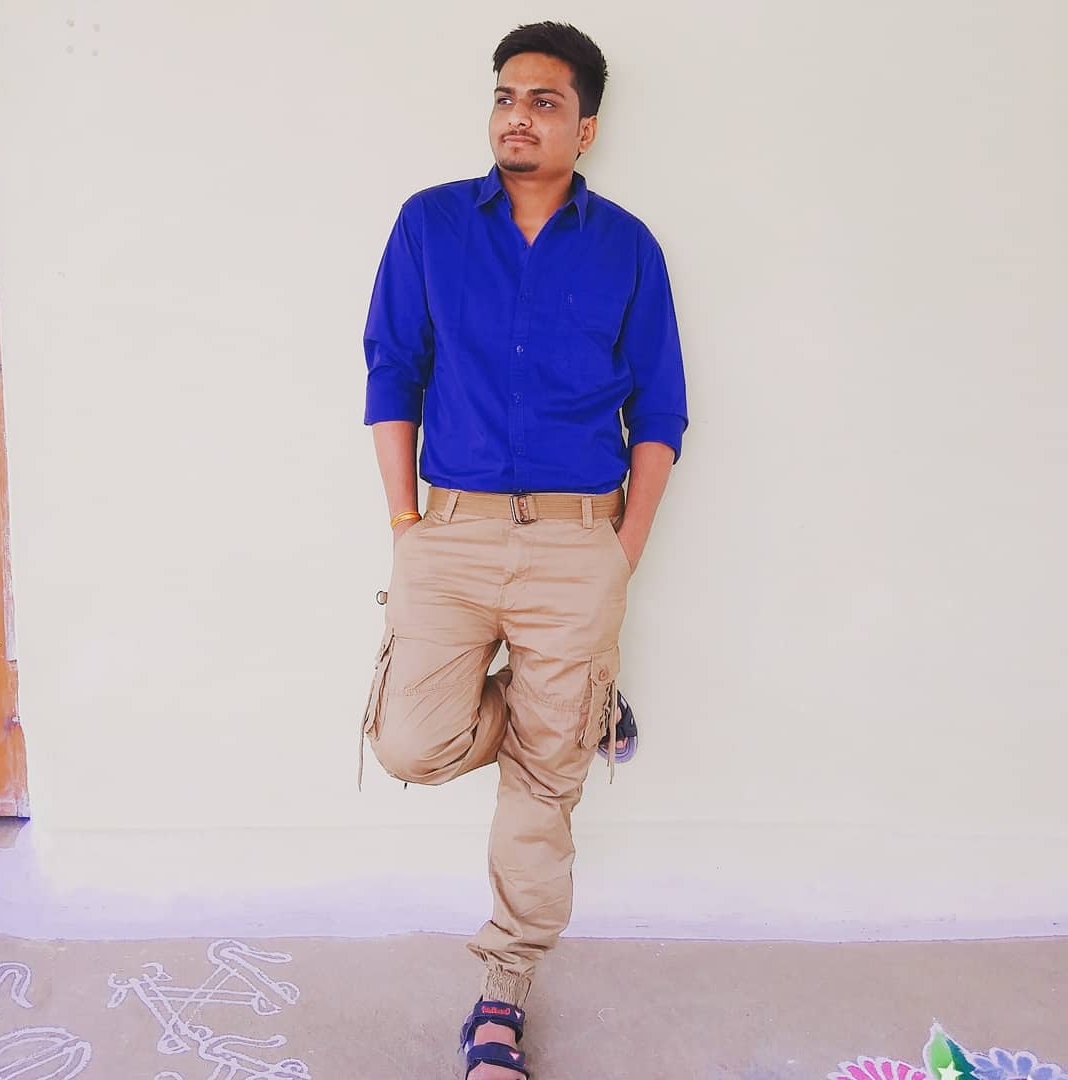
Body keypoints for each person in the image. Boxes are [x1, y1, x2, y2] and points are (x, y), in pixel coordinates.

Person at [359, 21, 688, 1078]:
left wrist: (622, 552)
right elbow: (392, 369)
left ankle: (501, 995)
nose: (518, 115)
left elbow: (661, 411)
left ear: (585, 128)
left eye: (545, 101)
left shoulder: (628, 246)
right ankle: (579, 709)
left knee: (545, 790)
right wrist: (405, 525)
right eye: (506, 95)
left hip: (578, 543)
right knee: (410, 744)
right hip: (448, 535)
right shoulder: (429, 224)